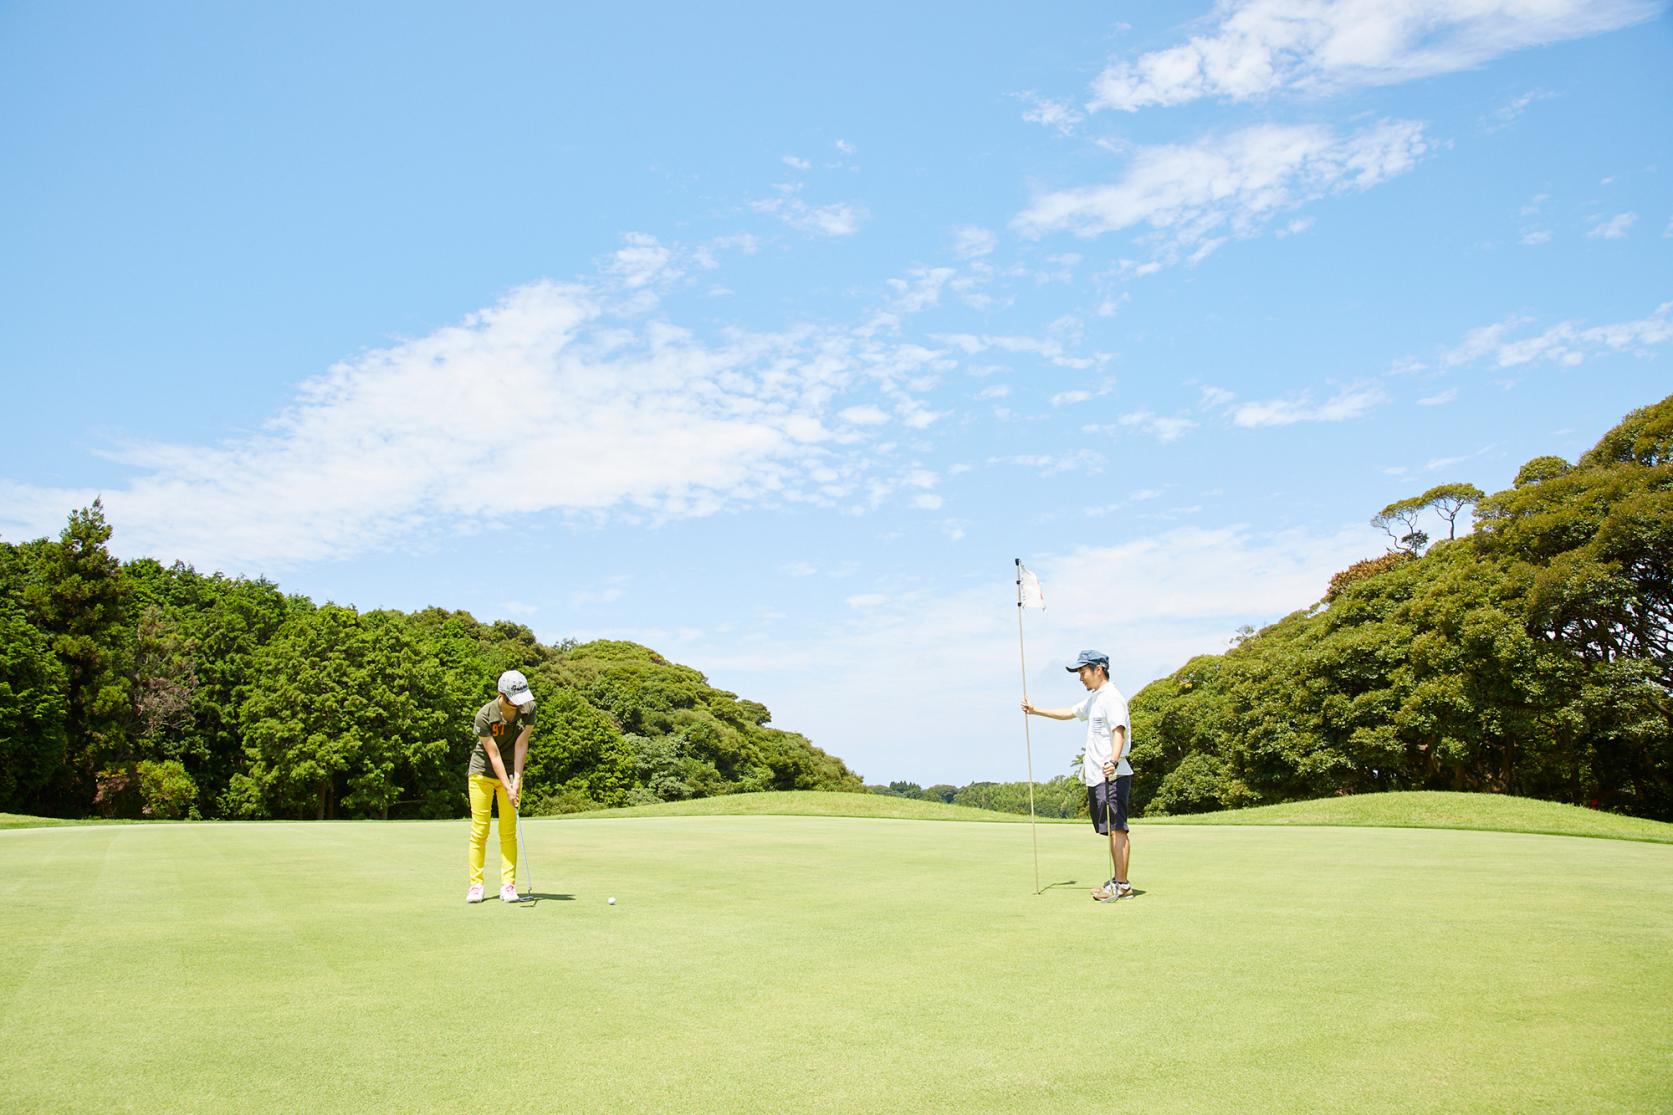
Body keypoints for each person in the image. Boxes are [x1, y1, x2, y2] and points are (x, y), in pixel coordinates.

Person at [1022, 649, 1133, 902]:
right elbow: (1070, 713)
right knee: (1110, 828)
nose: (1080, 677)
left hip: (1112, 774)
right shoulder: (1095, 699)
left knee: (1118, 829)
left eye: (1083, 671)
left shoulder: (1112, 697)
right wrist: (1035, 710)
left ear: (1099, 670)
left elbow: (1119, 731)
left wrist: (1113, 761)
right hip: (1098, 776)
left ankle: (1123, 885)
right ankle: (1117, 880)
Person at [466, 669, 536, 904]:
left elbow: (521, 745)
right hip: (482, 773)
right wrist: (507, 786)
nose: (518, 704)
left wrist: (516, 780)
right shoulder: (484, 715)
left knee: (508, 832)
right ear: (502, 694)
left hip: (512, 769)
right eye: (513, 700)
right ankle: (476, 886)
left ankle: (508, 885)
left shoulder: (529, 709)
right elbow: (493, 754)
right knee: (480, 831)